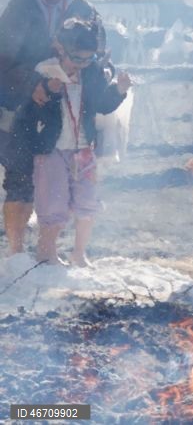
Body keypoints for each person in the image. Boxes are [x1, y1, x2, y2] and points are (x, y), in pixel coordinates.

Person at [0, 0, 104, 256]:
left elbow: (100, 55)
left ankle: (52, 249)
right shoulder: (20, 4)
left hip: (65, 112)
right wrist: (33, 84)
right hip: (19, 105)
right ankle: (16, 250)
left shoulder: (84, 10)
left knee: (58, 179)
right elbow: (4, 57)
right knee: (18, 175)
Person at [13, 18, 130, 266]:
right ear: (60, 48)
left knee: (87, 199)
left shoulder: (92, 74)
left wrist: (119, 90)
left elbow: (102, 105)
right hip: (51, 148)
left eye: (87, 59)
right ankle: (47, 252)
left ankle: (79, 252)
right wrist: (47, 91)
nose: (81, 64)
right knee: (52, 200)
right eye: (76, 58)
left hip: (84, 148)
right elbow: (29, 113)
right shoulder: (44, 72)